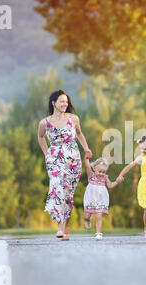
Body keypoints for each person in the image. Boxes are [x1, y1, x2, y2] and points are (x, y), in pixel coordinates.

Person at [37, 89, 93, 241]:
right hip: (54, 158)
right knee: (57, 188)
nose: (64, 104)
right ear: (53, 103)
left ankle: (66, 230)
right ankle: (59, 227)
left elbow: (80, 134)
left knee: (68, 194)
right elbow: (40, 137)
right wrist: (46, 153)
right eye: (61, 101)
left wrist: (86, 148)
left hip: (73, 158)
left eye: (66, 102)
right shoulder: (44, 122)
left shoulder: (73, 119)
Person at [83, 157, 121, 240]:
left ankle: (99, 233)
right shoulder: (91, 175)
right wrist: (86, 159)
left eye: (104, 172)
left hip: (100, 199)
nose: (101, 174)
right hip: (90, 199)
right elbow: (87, 166)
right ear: (94, 168)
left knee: (98, 216)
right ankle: (88, 220)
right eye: (99, 171)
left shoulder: (105, 178)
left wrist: (117, 181)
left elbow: (110, 185)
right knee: (86, 216)